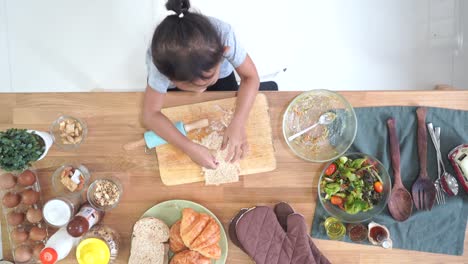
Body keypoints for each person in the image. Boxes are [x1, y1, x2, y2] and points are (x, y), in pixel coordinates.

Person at [143, 0, 259, 169]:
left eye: (207, 82)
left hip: (223, 79)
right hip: (178, 87)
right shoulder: (161, 64)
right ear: (168, 78)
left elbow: (251, 77)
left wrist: (239, 121)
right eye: (194, 88)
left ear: (223, 54)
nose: (202, 92)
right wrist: (189, 147)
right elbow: (150, 115)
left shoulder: (224, 35)